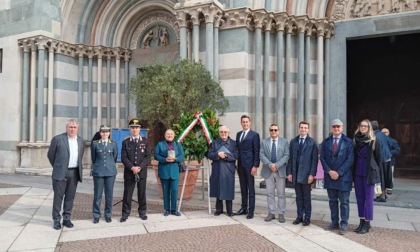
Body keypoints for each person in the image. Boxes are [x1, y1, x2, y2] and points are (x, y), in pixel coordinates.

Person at [47, 119, 85, 230]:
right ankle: (56, 220)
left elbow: (80, 156)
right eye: (70, 127)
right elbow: (51, 155)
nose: (72, 129)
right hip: (60, 173)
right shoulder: (57, 139)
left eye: (74, 127)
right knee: (58, 197)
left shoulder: (81, 141)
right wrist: (59, 166)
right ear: (66, 128)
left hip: (74, 172)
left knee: (70, 197)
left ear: (77, 128)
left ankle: (67, 218)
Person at [320, 119, 354, 235]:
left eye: (338, 127)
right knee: (332, 201)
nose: (336, 128)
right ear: (331, 128)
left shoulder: (349, 142)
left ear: (342, 128)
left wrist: (338, 172)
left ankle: (344, 223)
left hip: (343, 177)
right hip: (330, 176)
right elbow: (322, 158)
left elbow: (350, 159)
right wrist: (329, 171)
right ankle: (334, 222)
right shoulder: (326, 142)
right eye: (334, 126)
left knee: (344, 202)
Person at [353, 119, 382, 234]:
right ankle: (361, 221)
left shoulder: (374, 140)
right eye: (361, 126)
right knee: (359, 199)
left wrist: (376, 171)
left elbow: (379, 158)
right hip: (357, 173)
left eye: (365, 126)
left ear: (369, 127)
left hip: (369, 174)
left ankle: (367, 222)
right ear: (359, 127)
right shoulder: (355, 139)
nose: (363, 127)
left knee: (368, 200)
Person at [287, 121, 318, 226]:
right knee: (298, 197)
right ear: (299, 128)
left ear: (308, 129)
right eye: (301, 127)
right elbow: (290, 159)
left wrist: (312, 174)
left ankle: (307, 218)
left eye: (305, 128)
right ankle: (299, 216)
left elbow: (314, 160)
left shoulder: (312, 143)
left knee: (307, 198)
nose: (303, 129)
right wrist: (289, 172)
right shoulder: (293, 142)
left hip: (306, 175)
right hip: (295, 174)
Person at [120, 119, 151, 222]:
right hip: (130, 172)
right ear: (130, 129)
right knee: (127, 193)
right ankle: (125, 213)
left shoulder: (145, 141)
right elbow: (124, 158)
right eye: (132, 127)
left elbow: (148, 157)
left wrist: (140, 167)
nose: (134, 129)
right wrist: (132, 168)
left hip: (142, 172)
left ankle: (142, 212)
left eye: (136, 127)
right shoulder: (126, 142)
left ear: (140, 129)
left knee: (142, 193)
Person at [260, 124, 289, 223]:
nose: (273, 132)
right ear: (269, 131)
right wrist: (269, 164)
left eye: (275, 130)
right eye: (271, 130)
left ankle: (281, 214)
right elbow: (261, 154)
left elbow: (286, 155)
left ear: (278, 131)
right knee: (270, 193)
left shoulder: (284, 142)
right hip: (268, 171)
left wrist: (277, 165)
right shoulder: (264, 142)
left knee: (281, 193)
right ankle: (271, 213)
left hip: (280, 170)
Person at [208, 126, 238, 216]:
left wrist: (225, 155)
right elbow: (209, 154)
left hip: (228, 170)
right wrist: (217, 154)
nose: (223, 133)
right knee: (218, 189)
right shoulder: (215, 143)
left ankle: (229, 210)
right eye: (221, 132)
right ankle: (218, 209)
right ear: (219, 133)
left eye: (225, 132)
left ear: (228, 133)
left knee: (228, 189)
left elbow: (236, 155)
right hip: (217, 168)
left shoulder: (234, 143)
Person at [91, 125, 118, 224]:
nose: (105, 134)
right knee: (97, 195)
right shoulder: (95, 144)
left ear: (109, 133)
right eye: (103, 132)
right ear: (100, 133)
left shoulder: (113, 144)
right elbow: (93, 158)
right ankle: (96, 215)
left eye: (106, 132)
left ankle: (108, 215)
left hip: (110, 172)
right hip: (98, 171)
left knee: (109, 195)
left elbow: (114, 158)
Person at [154, 129, 185, 216]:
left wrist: (176, 159)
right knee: (165, 191)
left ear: (174, 135)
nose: (170, 135)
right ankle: (166, 209)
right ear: (165, 135)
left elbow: (182, 155)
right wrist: (164, 159)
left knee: (175, 191)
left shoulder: (178, 145)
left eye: (171, 134)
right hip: (164, 170)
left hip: (175, 171)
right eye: (168, 134)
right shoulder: (160, 144)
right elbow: (156, 155)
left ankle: (174, 209)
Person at [235, 115, 260, 219]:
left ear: (250, 122)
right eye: (243, 122)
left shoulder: (254, 135)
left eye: (246, 122)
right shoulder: (238, 134)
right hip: (240, 164)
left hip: (250, 165)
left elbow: (256, 151)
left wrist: (255, 166)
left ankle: (251, 211)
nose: (245, 123)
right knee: (243, 188)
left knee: (251, 188)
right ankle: (243, 208)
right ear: (241, 123)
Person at [371, 121, 392, 202]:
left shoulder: (374, 135)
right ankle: (384, 194)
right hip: (387, 157)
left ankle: (382, 196)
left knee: (381, 178)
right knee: (386, 177)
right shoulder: (382, 134)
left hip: (381, 159)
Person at [381, 128, 401, 195]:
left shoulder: (393, 141)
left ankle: (389, 188)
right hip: (380, 161)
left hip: (390, 161)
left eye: (385, 132)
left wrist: (388, 152)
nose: (384, 134)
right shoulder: (378, 140)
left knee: (390, 175)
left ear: (389, 133)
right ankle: (381, 188)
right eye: (382, 132)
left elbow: (397, 150)